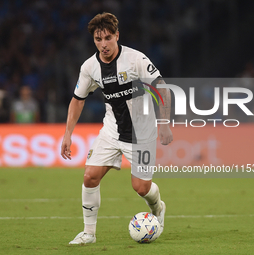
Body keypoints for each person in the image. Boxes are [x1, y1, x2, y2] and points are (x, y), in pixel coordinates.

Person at [60, 12, 173, 244]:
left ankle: (158, 207)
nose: (103, 45)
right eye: (98, 40)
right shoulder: (90, 67)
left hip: (142, 134)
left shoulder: (136, 60)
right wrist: (67, 133)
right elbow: (77, 99)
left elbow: (162, 88)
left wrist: (163, 123)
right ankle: (89, 234)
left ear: (117, 36)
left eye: (108, 38)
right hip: (111, 131)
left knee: (141, 188)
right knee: (90, 176)